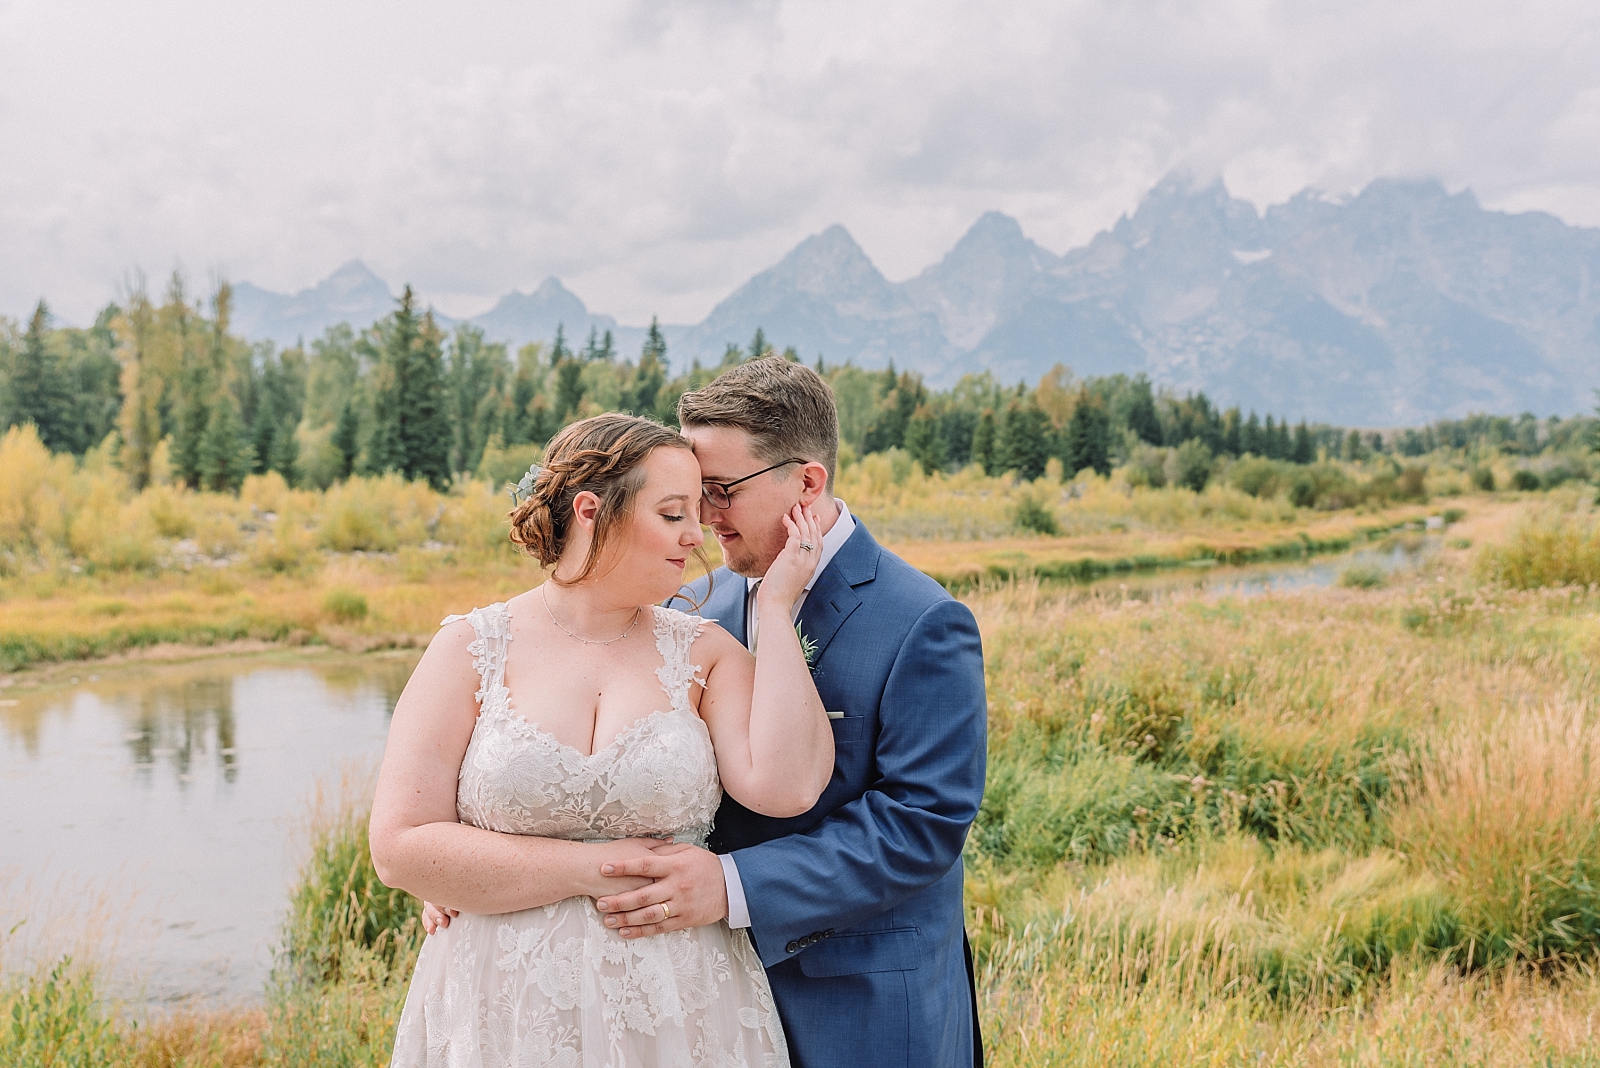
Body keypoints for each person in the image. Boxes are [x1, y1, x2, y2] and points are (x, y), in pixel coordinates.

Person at [369, 412, 834, 1068]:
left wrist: (779, 611)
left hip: (679, 1006)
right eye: (672, 513)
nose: (695, 535)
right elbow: (400, 848)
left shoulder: (708, 653)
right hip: (499, 1006)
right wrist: (593, 870)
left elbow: (788, 787)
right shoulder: (469, 648)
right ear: (591, 510)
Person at [597, 355, 989, 1068]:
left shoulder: (923, 620)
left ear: (807, 481)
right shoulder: (699, 606)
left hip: (863, 1011)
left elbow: (921, 825)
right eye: (688, 492)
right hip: (704, 995)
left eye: (720, 490)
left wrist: (731, 887)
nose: (702, 518)